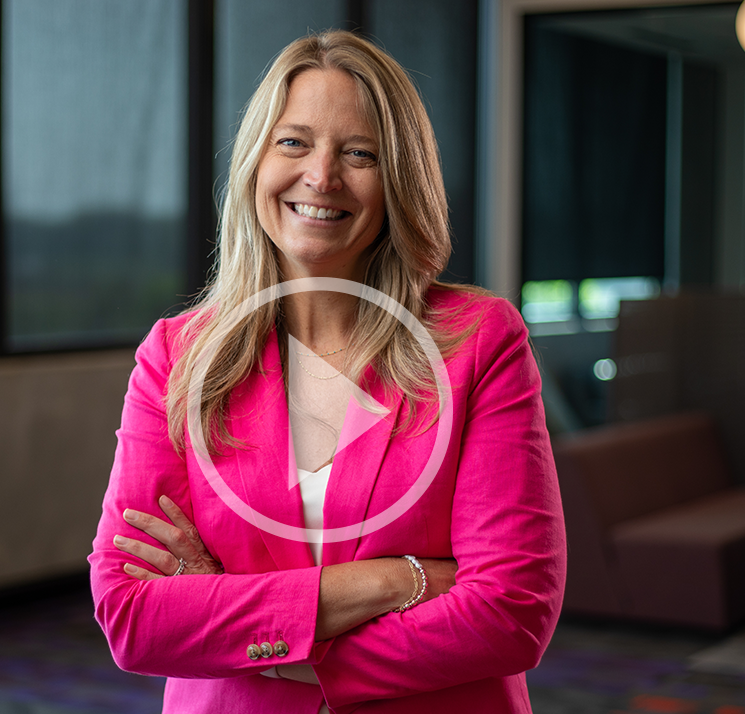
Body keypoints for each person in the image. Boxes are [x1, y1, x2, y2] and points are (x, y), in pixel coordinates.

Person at [88, 29, 565, 713]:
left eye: (360, 153)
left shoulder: (477, 342)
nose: (322, 176)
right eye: (294, 142)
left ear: (399, 177)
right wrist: (396, 582)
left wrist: (244, 624)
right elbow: (133, 616)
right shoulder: (177, 356)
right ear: (257, 159)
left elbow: (510, 612)